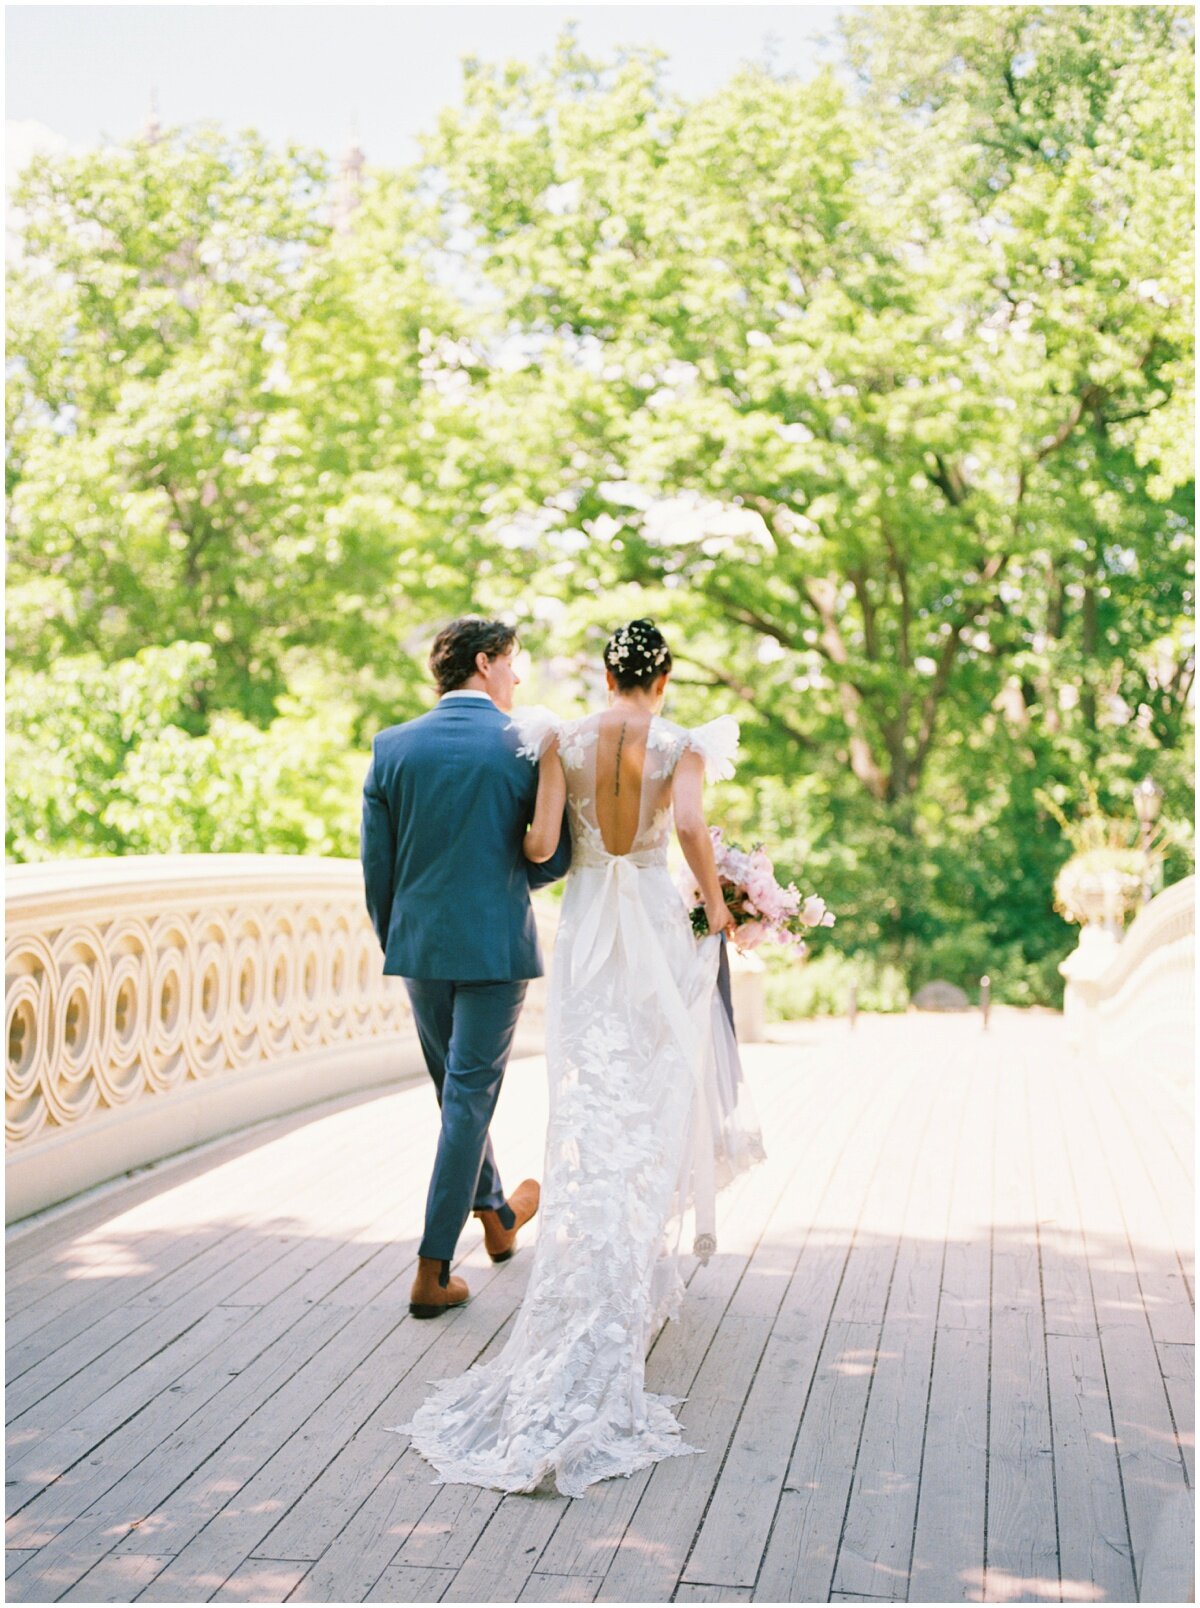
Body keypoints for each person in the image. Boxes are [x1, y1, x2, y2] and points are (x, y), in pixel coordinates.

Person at [392, 618, 765, 1497]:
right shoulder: (682, 745)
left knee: (589, 1095)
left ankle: (586, 1258)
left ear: (604, 674)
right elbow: (692, 834)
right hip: (652, 932)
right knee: (651, 1094)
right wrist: (718, 909)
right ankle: (628, 1265)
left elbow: (537, 847)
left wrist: (559, 838)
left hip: (591, 925)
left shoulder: (558, 737)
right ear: (663, 677)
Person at [360, 616, 571, 1320]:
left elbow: (378, 873)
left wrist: (406, 938)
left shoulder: (391, 749)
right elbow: (556, 857)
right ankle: (432, 1269)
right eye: (512, 664)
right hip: (492, 949)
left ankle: (499, 1218)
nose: (517, 678)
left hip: (418, 947)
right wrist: (500, 882)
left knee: (456, 1095)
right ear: (485, 663)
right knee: (468, 1096)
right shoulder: (523, 748)